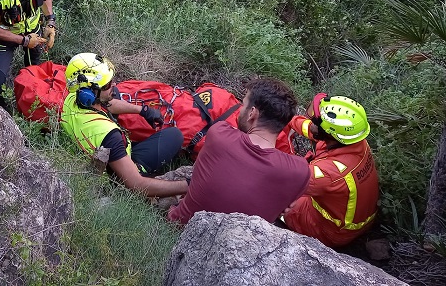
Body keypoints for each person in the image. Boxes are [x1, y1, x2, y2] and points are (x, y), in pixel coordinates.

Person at [167, 77, 310, 225]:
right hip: (239, 244)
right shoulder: (299, 171)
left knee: (186, 174)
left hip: (183, 226)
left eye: (243, 104)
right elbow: (284, 207)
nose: (240, 109)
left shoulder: (220, 133)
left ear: (252, 113)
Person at [61, 52, 188, 198]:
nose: (113, 85)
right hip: (116, 174)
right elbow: (137, 185)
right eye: (107, 84)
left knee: (114, 94)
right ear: (89, 93)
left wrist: (142, 110)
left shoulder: (72, 99)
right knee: (175, 136)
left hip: (96, 153)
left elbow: (107, 103)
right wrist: (188, 185)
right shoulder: (109, 134)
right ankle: (140, 169)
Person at [281, 94, 379, 248]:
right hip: (353, 217)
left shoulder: (327, 174)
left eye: (315, 121)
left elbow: (281, 182)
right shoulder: (352, 141)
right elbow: (313, 131)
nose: (311, 123)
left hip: (332, 232)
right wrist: (289, 118)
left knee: (283, 203)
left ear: (329, 134)